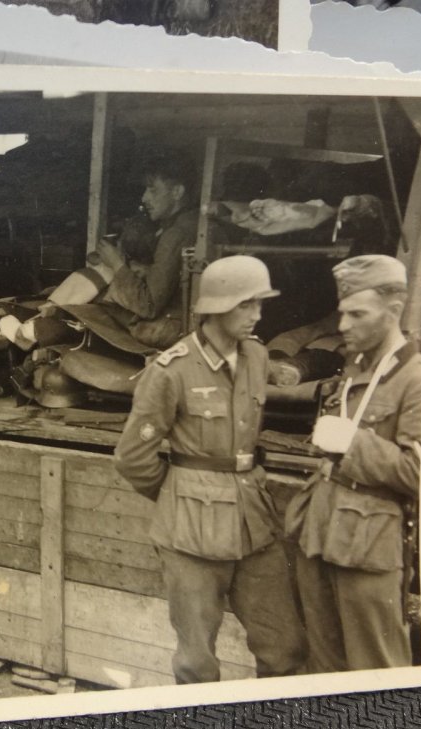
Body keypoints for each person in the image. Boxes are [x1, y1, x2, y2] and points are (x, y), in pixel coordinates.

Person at [115, 255, 306, 684]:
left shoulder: (256, 356)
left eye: (260, 304)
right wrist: (180, 492)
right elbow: (131, 456)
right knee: (197, 661)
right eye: (246, 305)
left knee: (285, 646)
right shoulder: (172, 370)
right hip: (191, 531)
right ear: (217, 307)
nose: (257, 315)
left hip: (254, 524)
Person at [286, 254, 421, 672]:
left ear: (393, 311)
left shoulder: (418, 380)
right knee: (324, 665)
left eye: (357, 314)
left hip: (369, 549)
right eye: (342, 313)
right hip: (321, 535)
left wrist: (353, 443)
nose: (343, 325)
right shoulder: (354, 369)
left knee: (376, 670)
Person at [97, 154, 201, 349]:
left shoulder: (176, 233)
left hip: (172, 328)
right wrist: (148, 270)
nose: (144, 198)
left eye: (153, 190)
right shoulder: (195, 222)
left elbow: (149, 305)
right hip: (191, 323)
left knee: (96, 304)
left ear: (177, 192)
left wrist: (116, 263)